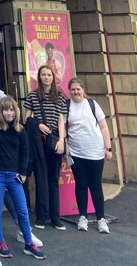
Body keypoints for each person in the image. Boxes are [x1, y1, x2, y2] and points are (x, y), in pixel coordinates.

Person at [0, 63, 42, 250]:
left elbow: (11, 107)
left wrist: (23, 170)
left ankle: (22, 230)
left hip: (1, 149)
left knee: (12, 199)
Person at [0, 97, 46, 260]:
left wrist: (23, 172)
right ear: (0, 111)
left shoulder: (21, 130)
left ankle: (28, 243)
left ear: (16, 111)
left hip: (14, 175)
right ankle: (0, 242)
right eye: (6, 109)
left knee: (22, 210)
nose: (9, 113)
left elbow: (25, 152)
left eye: (12, 109)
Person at [65, 77, 112, 234]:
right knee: (81, 184)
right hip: (76, 153)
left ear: (83, 90)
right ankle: (83, 217)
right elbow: (63, 130)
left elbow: (104, 127)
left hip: (95, 152)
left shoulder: (92, 104)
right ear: (69, 91)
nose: (76, 92)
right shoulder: (66, 106)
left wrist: (108, 148)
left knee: (96, 185)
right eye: (73, 89)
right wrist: (66, 148)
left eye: (78, 89)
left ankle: (101, 219)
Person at [23, 64, 67, 230]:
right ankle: (42, 216)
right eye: (43, 75)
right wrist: (38, 124)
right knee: (41, 177)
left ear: (53, 77)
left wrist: (62, 140)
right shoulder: (33, 96)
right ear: (39, 77)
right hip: (38, 140)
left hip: (55, 140)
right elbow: (27, 119)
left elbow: (61, 120)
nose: (46, 77)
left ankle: (55, 217)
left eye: (49, 74)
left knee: (53, 179)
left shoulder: (60, 97)